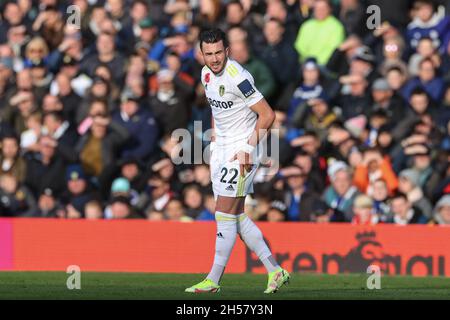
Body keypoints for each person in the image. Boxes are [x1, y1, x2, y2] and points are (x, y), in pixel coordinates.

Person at [185, 29, 289, 294]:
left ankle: (213, 280)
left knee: (223, 214)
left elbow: (267, 115)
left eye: (219, 52)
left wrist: (246, 148)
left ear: (227, 51)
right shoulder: (205, 73)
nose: (215, 58)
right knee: (236, 216)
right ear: (202, 55)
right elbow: (216, 111)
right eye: (209, 54)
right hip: (221, 150)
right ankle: (275, 270)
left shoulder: (238, 77)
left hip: (243, 151)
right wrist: (214, 144)